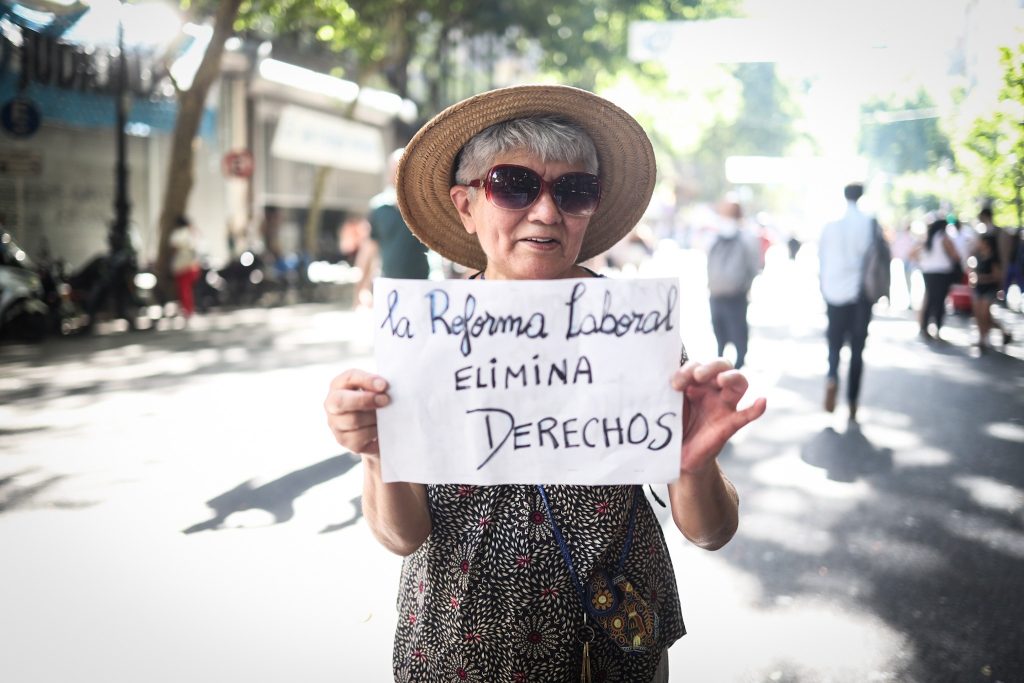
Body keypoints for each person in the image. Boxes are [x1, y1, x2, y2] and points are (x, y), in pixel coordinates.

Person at [322, 85, 766, 683]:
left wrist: (692, 465)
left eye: (574, 190)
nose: (546, 212)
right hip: (459, 651)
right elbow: (403, 537)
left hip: (609, 649)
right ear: (465, 205)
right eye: (514, 186)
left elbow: (712, 531)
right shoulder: (423, 338)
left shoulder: (634, 332)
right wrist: (378, 454)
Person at [818, 183, 875, 422]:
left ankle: (832, 376)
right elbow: (874, 257)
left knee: (834, 345)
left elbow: (821, 257)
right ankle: (852, 401)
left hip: (833, 293)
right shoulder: (869, 222)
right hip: (859, 295)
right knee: (857, 351)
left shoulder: (830, 224)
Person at [354, 148, 430, 307]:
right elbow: (369, 250)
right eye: (395, 170)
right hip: (389, 290)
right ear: (389, 174)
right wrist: (361, 289)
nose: (398, 175)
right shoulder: (379, 209)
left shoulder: (425, 206)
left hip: (424, 289)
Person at [705, 195, 760, 369]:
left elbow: (753, 266)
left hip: (736, 295)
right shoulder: (714, 238)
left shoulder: (747, 238)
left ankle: (739, 363)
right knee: (719, 331)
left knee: (738, 332)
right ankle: (720, 360)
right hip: (716, 294)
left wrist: (744, 286)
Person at [913, 215, 959, 339]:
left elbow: (912, 253)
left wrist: (923, 261)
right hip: (941, 272)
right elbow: (955, 255)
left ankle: (925, 327)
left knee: (930, 299)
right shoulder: (943, 238)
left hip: (928, 271)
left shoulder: (927, 239)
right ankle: (937, 328)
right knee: (939, 300)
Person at [968, 232, 1012, 351]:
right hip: (978, 287)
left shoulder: (993, 258)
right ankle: (983, 337)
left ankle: (986, 337)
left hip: (989, 288)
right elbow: (972, 269)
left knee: (984, 313)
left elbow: (997, 276)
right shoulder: (977, 255)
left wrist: (983, 278)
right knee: (980, 314)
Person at [169, 216, 200, 318]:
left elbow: (174, 245)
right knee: (187, 290)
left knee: (184, 289)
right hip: (191, 265)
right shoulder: (191, 233)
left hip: (182, 266)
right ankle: (188, 310)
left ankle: (187, 310)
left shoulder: (179, 234)